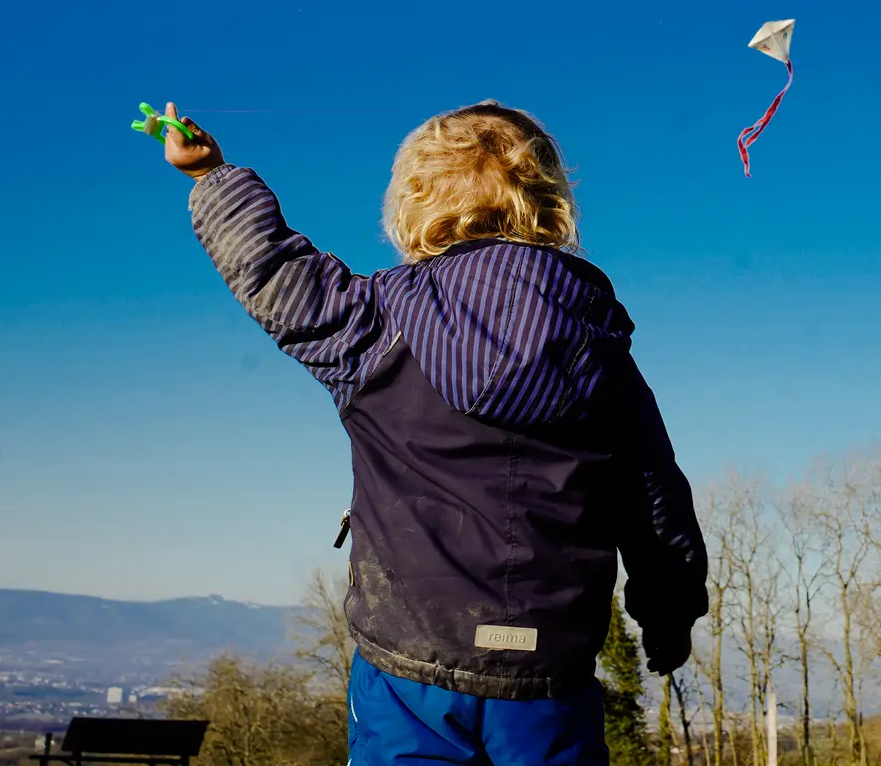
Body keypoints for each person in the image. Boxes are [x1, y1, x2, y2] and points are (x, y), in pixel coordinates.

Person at [154, 101, 709, 766]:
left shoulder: (372, 328)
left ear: (412, 207)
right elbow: (655, 501)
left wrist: (211, 176)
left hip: (409, 667)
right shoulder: (597, 348)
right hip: (548, 673)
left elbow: (273, 270)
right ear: (549, 203)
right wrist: (668, 614)